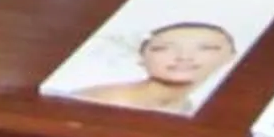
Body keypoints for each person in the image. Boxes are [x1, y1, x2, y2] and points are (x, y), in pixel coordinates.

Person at [72, 21, 238, 114]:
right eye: (163, 48)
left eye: (206, 48)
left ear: (230, 57)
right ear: (141, 57)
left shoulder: (185, 107)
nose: (184, 57)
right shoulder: (101, 101)